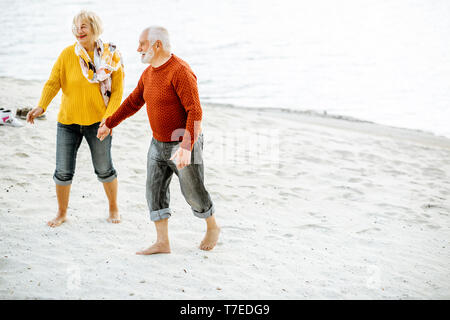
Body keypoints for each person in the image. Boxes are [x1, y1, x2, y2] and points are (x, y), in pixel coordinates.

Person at [97, 26, 220, 254]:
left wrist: (186, 147)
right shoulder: (149, 73)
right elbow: (134, 101)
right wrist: (110, 123)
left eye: (142, 44)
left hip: (183, 143)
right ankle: (162, 242)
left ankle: (212, 226)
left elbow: (196, 112)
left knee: (193, 192)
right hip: (157, 143)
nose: (138, 49)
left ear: (157, 45)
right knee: (154, 191)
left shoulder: (180, 71)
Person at [27, 10, 124, 227]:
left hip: (99, 123)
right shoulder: (67, 55)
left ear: (94, 28)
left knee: (104, 168)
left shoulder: (112, 57)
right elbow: (53, 82)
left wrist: (108, 120)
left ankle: (113, 207)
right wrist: (41, 105)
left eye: (83, 27)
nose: (78, 31)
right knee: (62, 170)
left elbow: (117, 92)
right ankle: (61, 213)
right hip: (68, 122)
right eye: (76, 27)